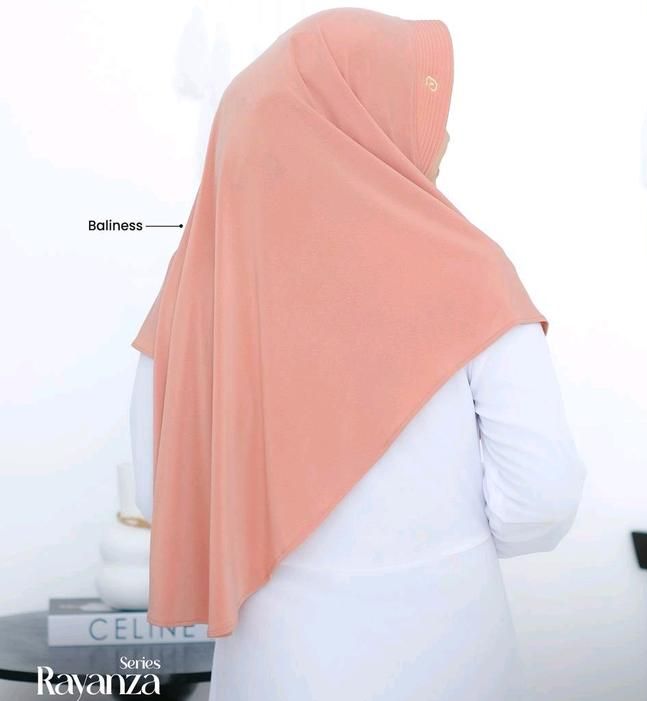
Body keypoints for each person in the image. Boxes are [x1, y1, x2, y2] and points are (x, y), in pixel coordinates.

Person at [129, 8, 586, 700]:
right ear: (356, 125)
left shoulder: (198, 293)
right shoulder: (471, 274)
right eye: (418, 107)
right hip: (447, 657)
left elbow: (161, 494)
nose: (446, 136)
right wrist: (432, 546)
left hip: (274, 670)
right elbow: (542, 496)